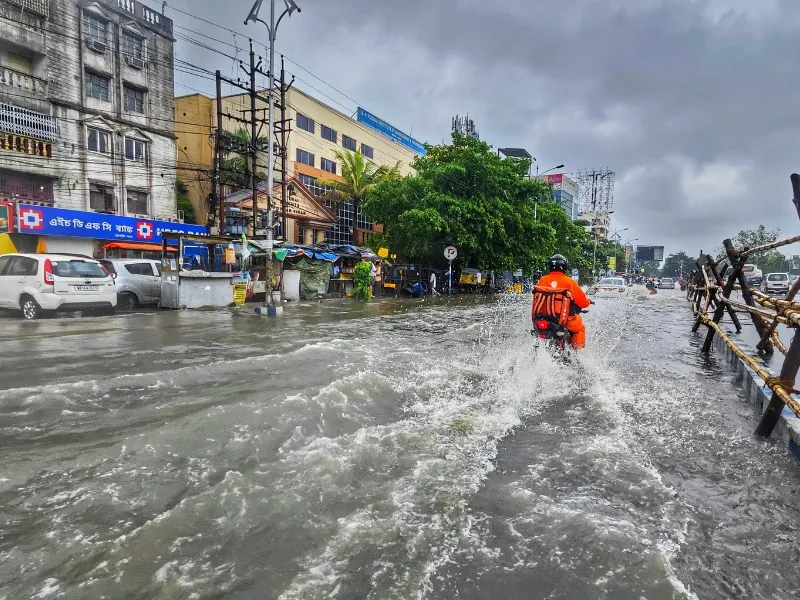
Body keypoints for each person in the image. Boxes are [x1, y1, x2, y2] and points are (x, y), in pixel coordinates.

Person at [532, 254, 591, 349]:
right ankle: (576, 352)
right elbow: (583, 303)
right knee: (580, 328)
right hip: (562, 320)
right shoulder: (569, 282)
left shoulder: (542, 280)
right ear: (564, 267)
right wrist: (588, 301)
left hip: (541, 318)